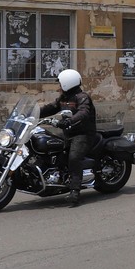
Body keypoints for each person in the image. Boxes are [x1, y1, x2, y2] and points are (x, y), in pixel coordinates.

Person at [48, 68, 96, 207]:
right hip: (68, 133)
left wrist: (69, 121)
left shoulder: (82, 97)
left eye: (60, 83)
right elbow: (51, 107)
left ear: (66, 83)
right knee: (50, 146)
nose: (59, 86)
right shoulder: (64, 98)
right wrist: (32, 114)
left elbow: (83, 113)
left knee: (74, 158)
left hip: (83, 134)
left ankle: (75, 191)